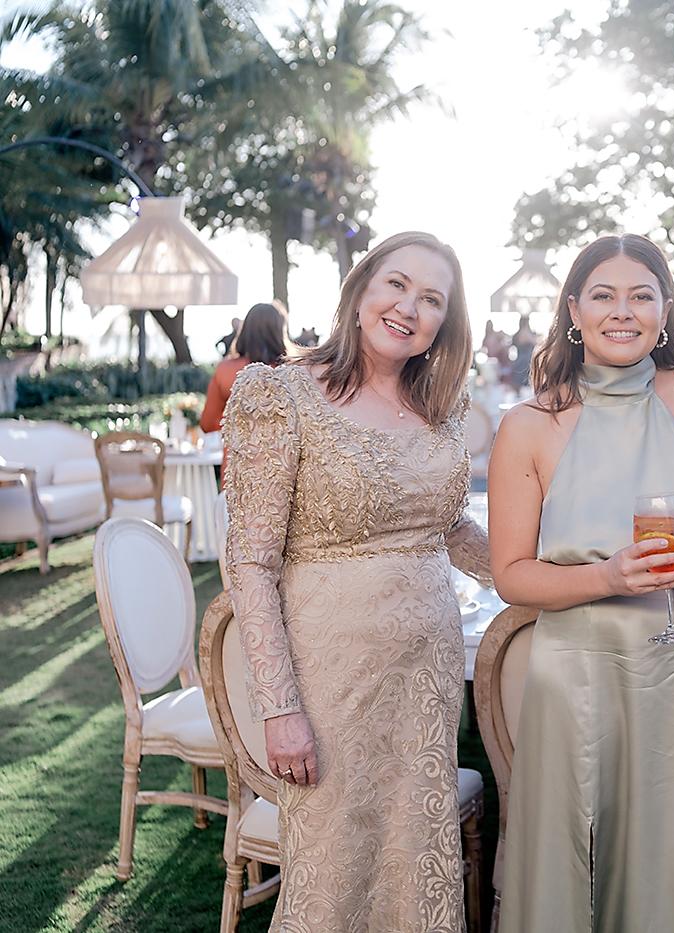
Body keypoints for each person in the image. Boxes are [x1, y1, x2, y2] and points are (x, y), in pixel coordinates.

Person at [488, 234, 674, 933]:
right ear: (574, 310)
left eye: (642, 295)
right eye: (604, 295)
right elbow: (511, 576)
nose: (623, 311)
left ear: (665, 310)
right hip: (576, 672)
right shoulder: (530, 426)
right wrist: (606, 574)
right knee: (576, 842)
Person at [222, 231, 490, 932]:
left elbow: (449, 529)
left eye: (432, 299)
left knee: (413, 861)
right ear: (362, 288)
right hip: (329, 679)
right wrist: (280, 708)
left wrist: (542, 571)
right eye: (396, 284)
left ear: (445, 323)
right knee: (334, 873)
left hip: (425, 677)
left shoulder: (442, 407)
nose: (409, 307)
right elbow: (251, 560)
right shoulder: (279, 395)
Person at [199, 302, 291, 437]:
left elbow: (207, 424)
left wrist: (241, 423)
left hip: (237, 456)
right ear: (280, 331)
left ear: (245, 330)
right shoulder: (292, 372)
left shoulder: (225, 370)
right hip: (283, 456)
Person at [509, 313, 537, 389]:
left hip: (520, 361)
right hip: (526, 361)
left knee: (520, 384)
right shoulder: (526, 333)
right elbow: (535, 343)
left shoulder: (517, 334)